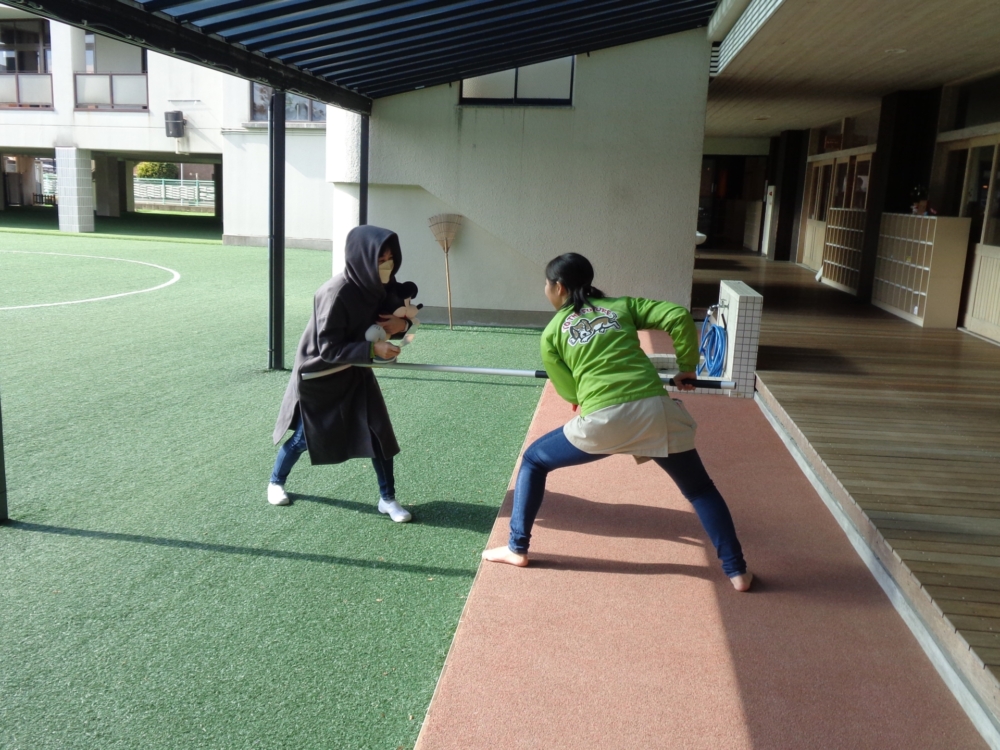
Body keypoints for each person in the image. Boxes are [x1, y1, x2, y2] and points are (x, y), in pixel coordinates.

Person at [482, 253, 752, 591]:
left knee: (534, 461)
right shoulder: (621, 306)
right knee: (700, 490)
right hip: (656, 411)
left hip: (603, 420)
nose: (546, 289)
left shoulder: (551, 333)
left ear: (559, 287)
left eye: (546, 284)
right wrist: (687, 367)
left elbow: (568, 390)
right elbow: (677, 314)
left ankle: (516, 548)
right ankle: (737, 571)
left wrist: (580, 396)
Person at [267, 225, 413, 523]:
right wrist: (373, 349)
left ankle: (387, 499)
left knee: (379, 435)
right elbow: (328, 349)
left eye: (390, 258)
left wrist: (403, 326)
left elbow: (400, 317)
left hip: (356, 370)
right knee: (305, 438)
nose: (387, 265)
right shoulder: (335, 293)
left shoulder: (382, 285)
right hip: (321, 376)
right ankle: (275, 481)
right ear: (362, 258)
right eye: (380, 259)